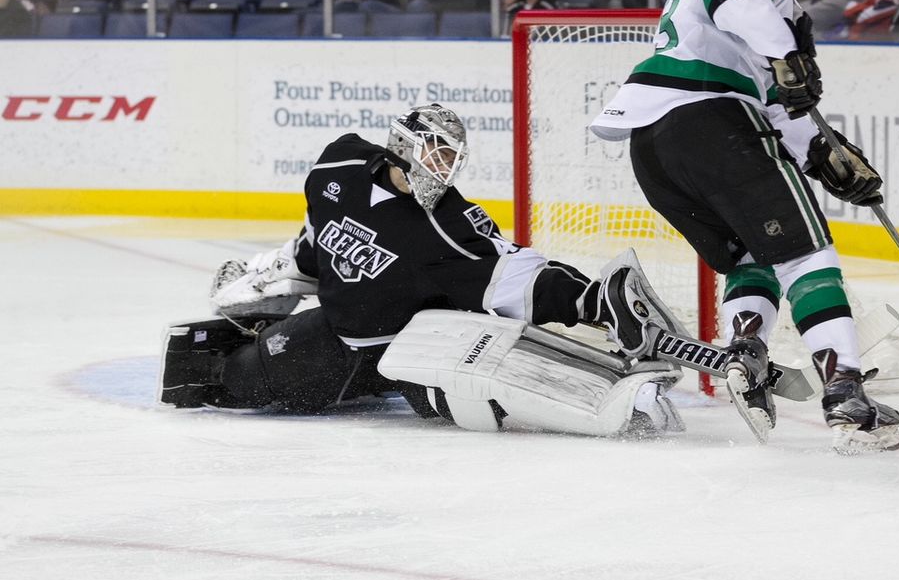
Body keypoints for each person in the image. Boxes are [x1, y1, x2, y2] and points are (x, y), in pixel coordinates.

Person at [589, 0, 899, 450]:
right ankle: (846, 394)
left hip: (654, 146)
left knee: (754, 255)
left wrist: (823, 156)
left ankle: (746, 354)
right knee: (808, 255)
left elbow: (779, 102)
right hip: (712, 126)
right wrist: (787, 54)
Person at [159, 105, 684, 439]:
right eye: (435, 152)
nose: (443, 167)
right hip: (337, 335)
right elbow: (317, 235)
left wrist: (589, 300)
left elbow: (512, 267)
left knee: (474, 403)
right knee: (240, 380)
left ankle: (621, 399)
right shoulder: (335, 166)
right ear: (403, 146)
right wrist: (264, 280)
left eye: (451, 158)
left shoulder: (448, 219)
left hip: (411, 347)